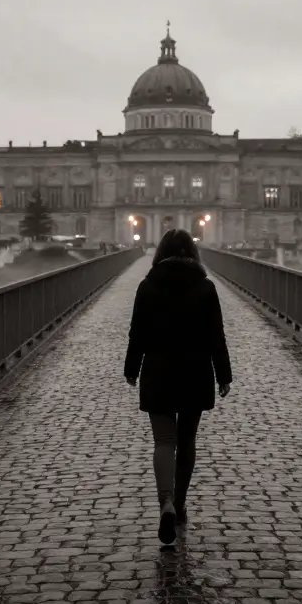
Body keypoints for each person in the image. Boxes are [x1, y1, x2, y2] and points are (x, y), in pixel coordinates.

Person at [123, 228, 232, 544]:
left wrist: (132, 369)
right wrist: (223, 375)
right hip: (195, 372)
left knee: (164, 441)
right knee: (187, 441)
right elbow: (216, 337)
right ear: (193, 254)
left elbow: (137, 333)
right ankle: (181, 503)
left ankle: (166, 502)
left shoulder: (147, 286)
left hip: (158, 371)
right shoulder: (205, 288)